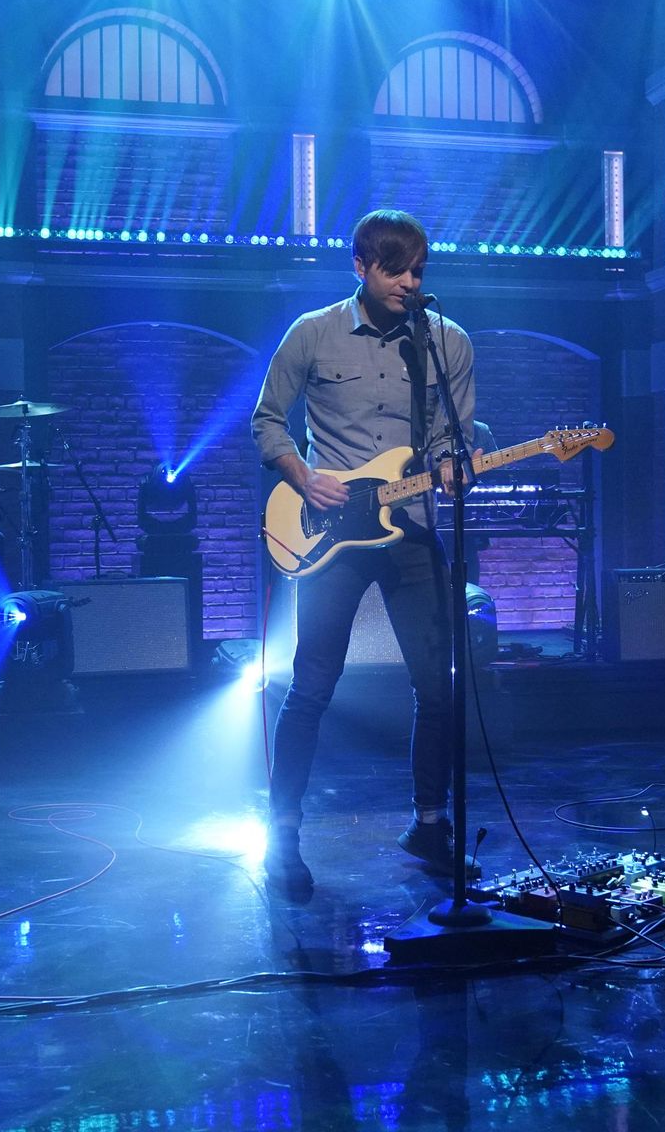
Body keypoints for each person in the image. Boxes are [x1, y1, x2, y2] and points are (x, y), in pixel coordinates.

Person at [251, 209, 479, 897]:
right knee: (312, 685)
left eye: (418, 271)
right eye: (395, 270)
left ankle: (430, 824)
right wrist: (303, 476)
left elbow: (452, 438)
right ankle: (283, 833)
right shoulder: (313, 332)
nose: (410, 282)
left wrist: (454, 466)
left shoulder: (447, 341)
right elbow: (267, 420)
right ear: (360, 266)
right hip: (330, 533)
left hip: (412, 529)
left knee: (438, 686)